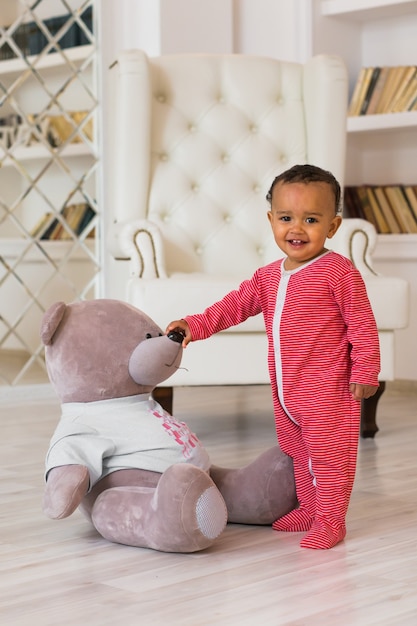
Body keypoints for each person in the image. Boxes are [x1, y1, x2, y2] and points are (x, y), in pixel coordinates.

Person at [166, 163, 380, 549]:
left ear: (332, 226)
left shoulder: (338, 272)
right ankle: (310, 508)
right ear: (271, 220)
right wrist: (194, 326)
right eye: (286, 218)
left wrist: (365, 370)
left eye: (311, 219)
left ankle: (331, 520)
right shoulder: (268, 276)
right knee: (298, 451)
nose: (296, 229)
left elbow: (362, 325)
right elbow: (232, 306)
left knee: (330, 457)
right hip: (287, 391)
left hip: (328, 390)